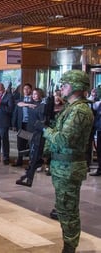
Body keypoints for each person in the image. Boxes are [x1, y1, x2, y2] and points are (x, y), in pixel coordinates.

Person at [42, 70, 94, 253]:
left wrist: (45, 131)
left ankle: (70, 247)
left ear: (77, 87)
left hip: (69, 168)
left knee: (68, 210)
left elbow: (65, 139)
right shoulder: (70, 108)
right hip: (62, 166)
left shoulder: (80, 110)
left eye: (65, 85)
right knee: (64, 208)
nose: (61, 88)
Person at [11, 83, 33, 166]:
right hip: (21, 124)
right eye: (24, 89)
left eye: (28, 89)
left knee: (31, 143)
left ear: (31, 90)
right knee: (20, 143)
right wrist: (13, 124)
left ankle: (31, 162)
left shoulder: (33, 100)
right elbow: (15, 113)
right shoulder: (20, 100)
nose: (26, 90)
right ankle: (19, 160)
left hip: (30, 125)